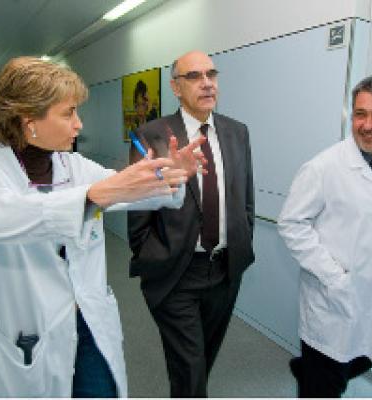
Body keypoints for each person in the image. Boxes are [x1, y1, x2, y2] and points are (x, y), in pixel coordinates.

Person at [0, 56, 205, 398]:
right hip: (27, 330)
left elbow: (133, 192)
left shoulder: (75, 166)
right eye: (68, 113)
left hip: (90, 324)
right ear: (29, 122)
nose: (79, 124)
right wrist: (93, 195)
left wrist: (171, 175)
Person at [278, 75, 372, 397]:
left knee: (363, 357)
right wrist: (335, 276)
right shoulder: (323, 167)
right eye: (360, 114)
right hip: (332, 301)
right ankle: (308, 373)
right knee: (325, 384)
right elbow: (291, 223)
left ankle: (306, 370)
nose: (367, 125)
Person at [127, 50, 255, 397]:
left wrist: (242, 244)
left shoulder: (236, 132)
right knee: (190, 367)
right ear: (175, 87)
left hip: (225, 270)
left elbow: (245, 198)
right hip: (176, 271)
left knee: (203, 360)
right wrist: (152, 256)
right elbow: (138, 209)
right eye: (195, 76)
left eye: (211, 75)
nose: (207, 83)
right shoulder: (153, 134)